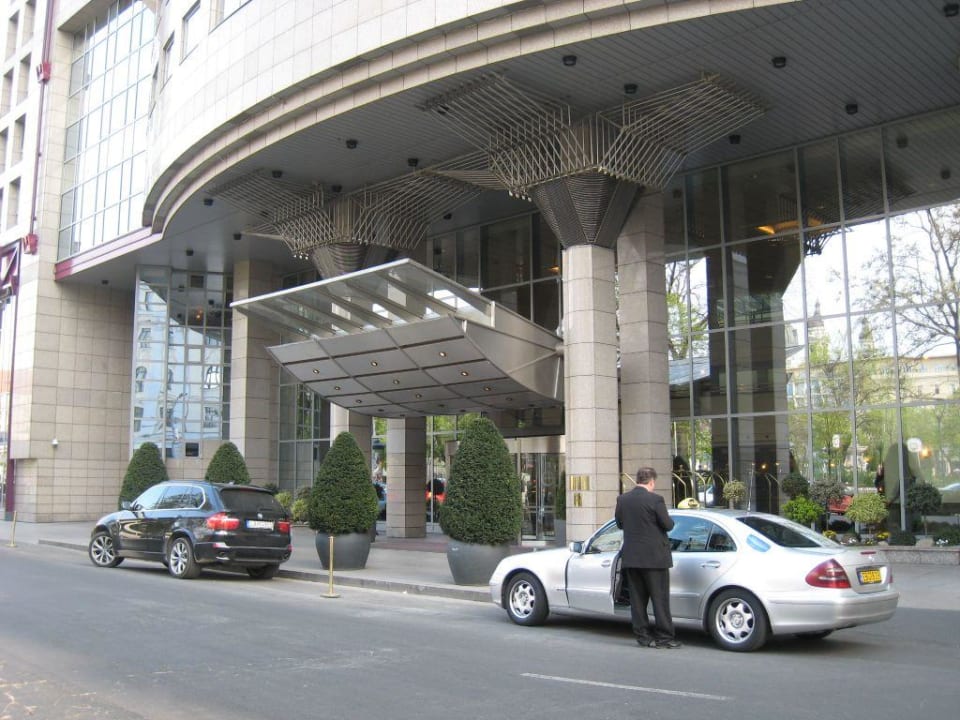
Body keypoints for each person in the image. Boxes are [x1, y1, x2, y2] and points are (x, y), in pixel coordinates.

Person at [615, 466, 681, 649]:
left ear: (638, 480)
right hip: (655, 559)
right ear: (651, 482)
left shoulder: (623, 500)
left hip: (632, 558)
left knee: (637, 601)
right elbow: (668, 525)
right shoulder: (656, 500)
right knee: (660, 600)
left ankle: (643, 637)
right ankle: (664, 638)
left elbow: (619, 523)